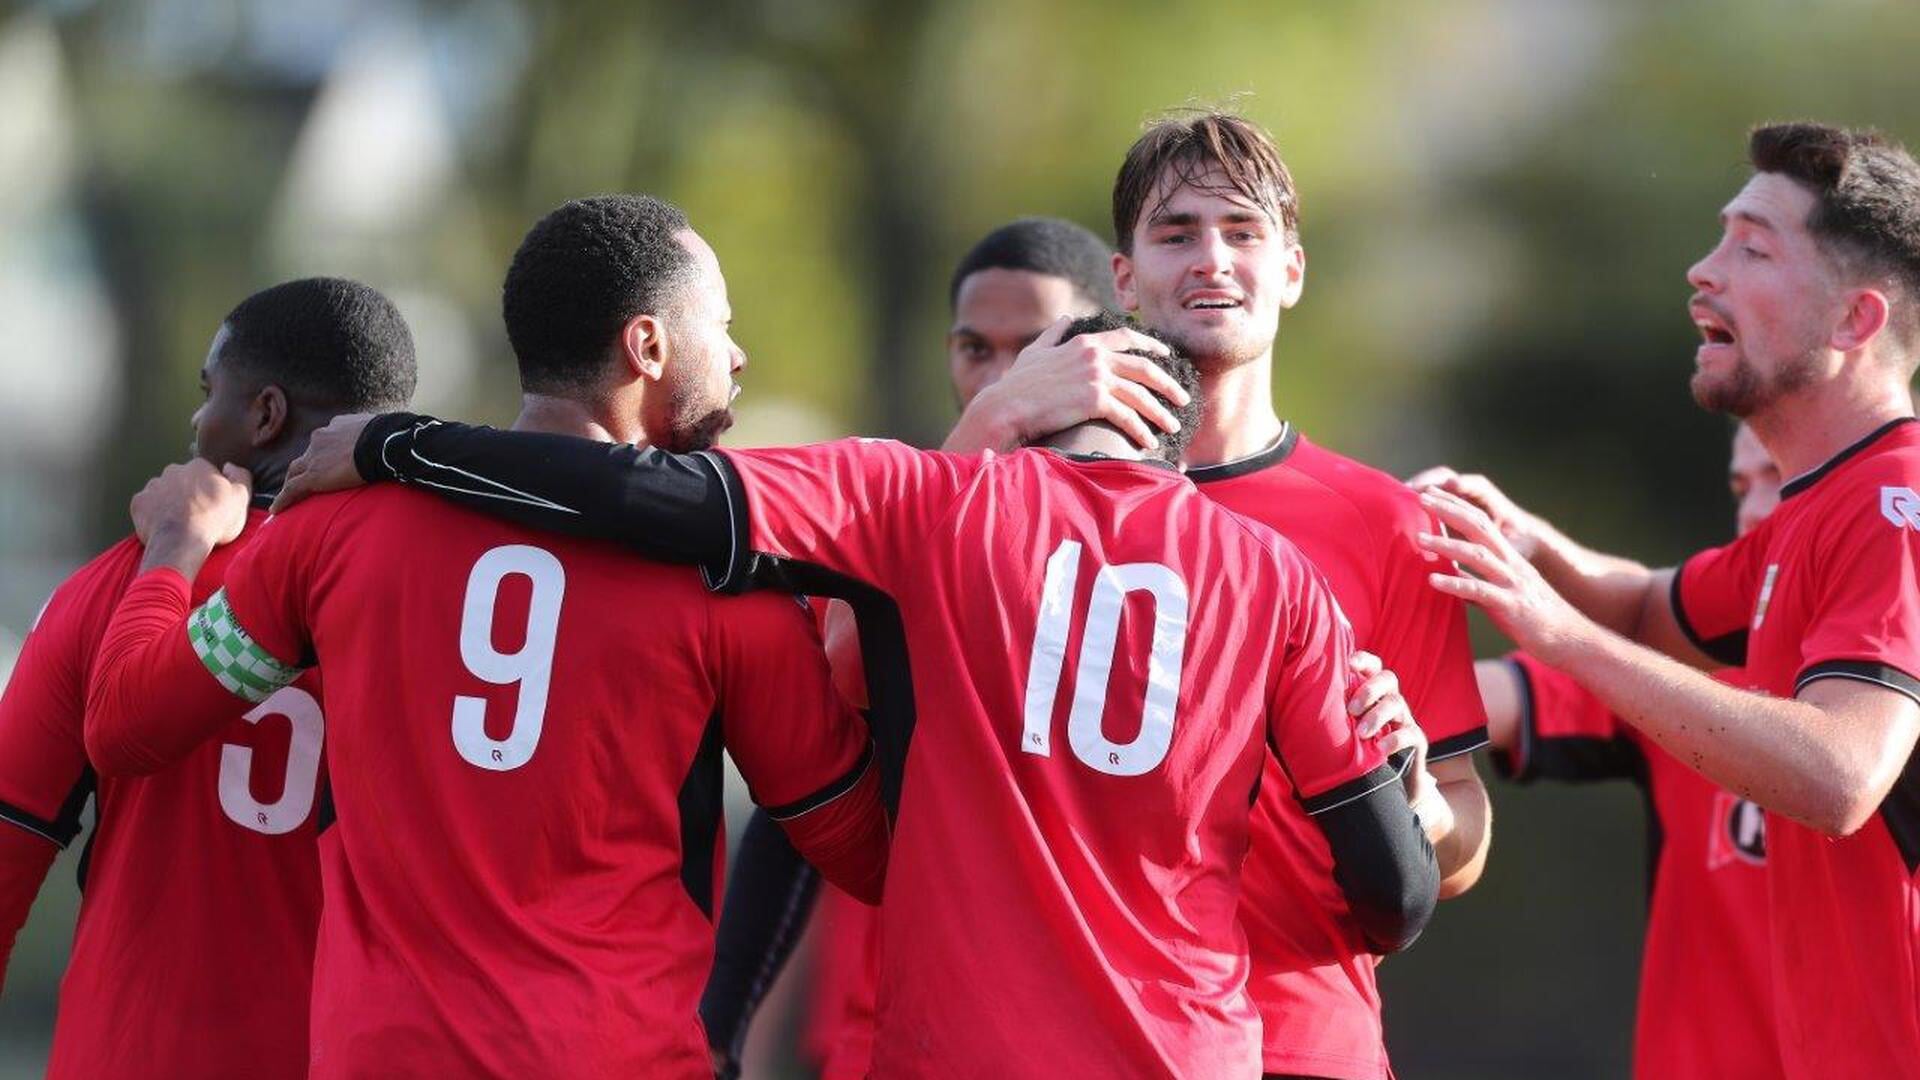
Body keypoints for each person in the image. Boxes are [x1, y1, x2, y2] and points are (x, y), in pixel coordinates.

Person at [272, 301, 1443, 1078]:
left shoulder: (931, 503)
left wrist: (404, 447)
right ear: (1176, 443)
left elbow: (656, 499)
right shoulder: (1284, 583)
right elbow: (1395, 894)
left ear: (1034, 406)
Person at [83, 196, 889, 1078]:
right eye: (721, 325)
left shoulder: (332, 529)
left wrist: (170, 554)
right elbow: (863, 849)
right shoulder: (728, 584)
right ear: (648, 347)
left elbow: (128, 722)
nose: (736, 355)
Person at [951, 110, 1491, 1080]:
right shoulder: (1030, 498)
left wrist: (1419, 798)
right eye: (1175, 233)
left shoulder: (1387, 524)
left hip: (1304, 1041)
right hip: (1072, 1038)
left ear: (1291, 270)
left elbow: (1462, 835)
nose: (1212, 259)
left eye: (1243, 233)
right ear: (1123, 278)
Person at [1411, 122, 1920, 1078]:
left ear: (1856, 322)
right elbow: (1652, 612)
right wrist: (1525, 539)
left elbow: (1842, 777)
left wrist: (1556, 631)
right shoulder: (1816, 507)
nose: (1703, 269)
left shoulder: (1899, 503)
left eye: (1752, 247)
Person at [700, 215, 1132, 1079]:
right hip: (880, 1036)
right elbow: (802, 808)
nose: (1001, 380)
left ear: (1107, 346)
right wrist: (722, 1028)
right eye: (976, 350)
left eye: (1034, 349)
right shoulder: (873, 526)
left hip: (1106, 1043)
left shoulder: (1188, 559)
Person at [0, 277, 417, 1078]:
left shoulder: (116, 583)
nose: (196, 421)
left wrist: (170, 552)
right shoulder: (438, 594)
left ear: (265, 415)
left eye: (208, 392)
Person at [1452, 422, 1783, 1079]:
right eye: (1741, 484)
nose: (1751, 506)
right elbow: (1478, 699)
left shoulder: (1887, 693)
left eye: (1777, 476)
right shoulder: (1680, 678)